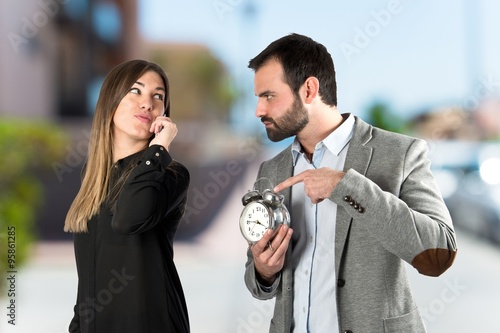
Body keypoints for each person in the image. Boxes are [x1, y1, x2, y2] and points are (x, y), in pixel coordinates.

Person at [243, 33, 458, 333]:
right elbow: (257, 281)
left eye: (269, 96)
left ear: (309, 89)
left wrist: (346, 187)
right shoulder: (272, 169)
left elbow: (439, 254)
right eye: (258, 98)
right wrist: (263, 271)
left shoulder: (400, 154)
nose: (259, 110)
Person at [65, 59, 190, 333]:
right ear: (111, 99)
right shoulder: (95, 181)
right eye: (136, 91)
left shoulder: (170, 174)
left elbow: (129, 219)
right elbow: (87, 283)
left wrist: (158, 149)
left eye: (158, 96)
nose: (148, 103)